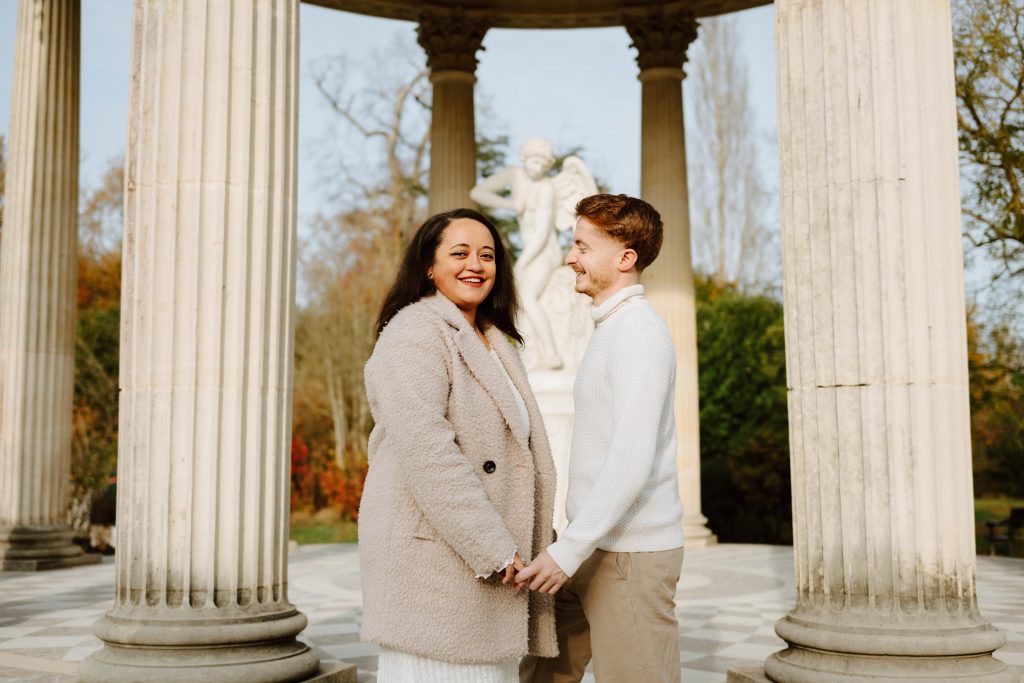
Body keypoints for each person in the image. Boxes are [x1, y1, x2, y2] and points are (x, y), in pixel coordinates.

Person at [359, 208, 559, 682]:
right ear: (429, 265)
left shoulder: (495, 340)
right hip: (437, 567)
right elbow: (428, 451)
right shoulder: (414, 331)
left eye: (487, 255)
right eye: (460, 253)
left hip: (494, 565)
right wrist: (493, 546)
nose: (476, 265)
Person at [516, 194, 686, 683]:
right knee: (542, 676)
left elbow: (631, 460)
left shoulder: (638, 333)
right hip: (591, 545)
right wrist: (573, 546)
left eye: (582, 247)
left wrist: (568, 551)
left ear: (625, 257)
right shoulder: (611, 328)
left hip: (629, 556)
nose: (570, 258)